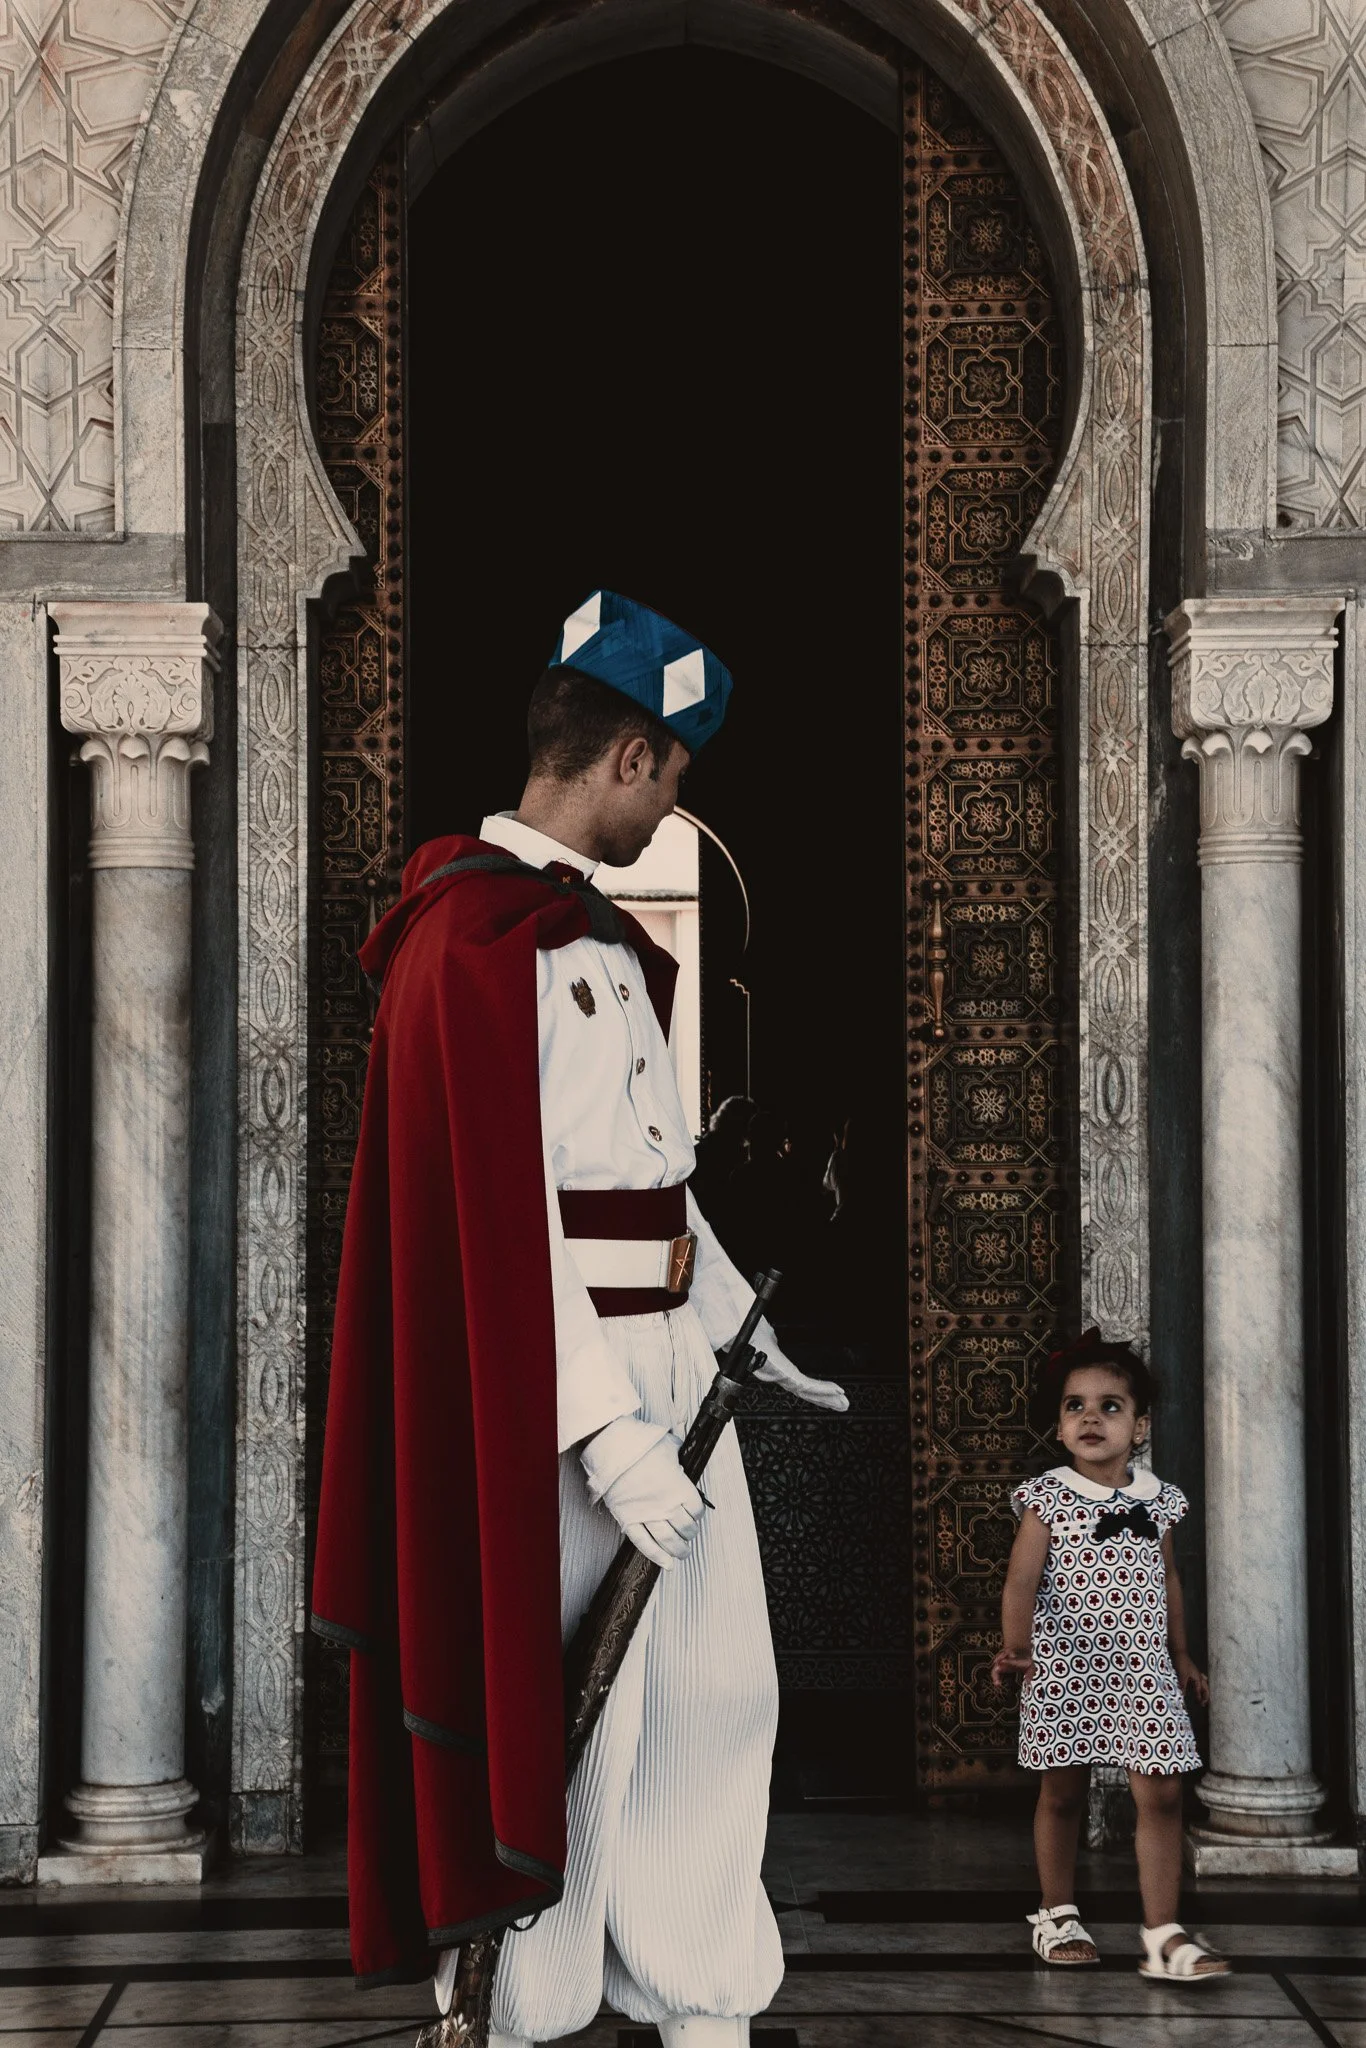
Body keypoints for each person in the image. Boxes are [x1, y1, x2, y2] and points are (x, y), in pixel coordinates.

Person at [311, 590, 848, 2048]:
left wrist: (743, 1336)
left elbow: (651, 1196)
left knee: (712, 1693)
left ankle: (701, 2006)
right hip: (549, 1409)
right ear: (628, 756)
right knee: (559, 1725)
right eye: (674, 777)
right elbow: (496, 1231)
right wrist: (609, 1436)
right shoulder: (470, 941)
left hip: (675, 1377)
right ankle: (517, 2010)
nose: (674, 808)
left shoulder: (584, 935)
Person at [990, 1330, 1231, 1984]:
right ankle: (1057, 1913)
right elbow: (1021, 1581)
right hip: (1064, 1666)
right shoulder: (1048, 1496)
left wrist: (1181, 1654)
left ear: (1140, 1426)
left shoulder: (1158, 1499)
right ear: (1060, 1426)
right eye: (1075, 1406)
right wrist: (1017, 1648)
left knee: (1162, 1790)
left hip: (1142, 1669)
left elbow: (1168, 1579)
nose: (1091, 1418)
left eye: (1110, 1406)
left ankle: (1162, 1932)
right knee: (1063, 1793)